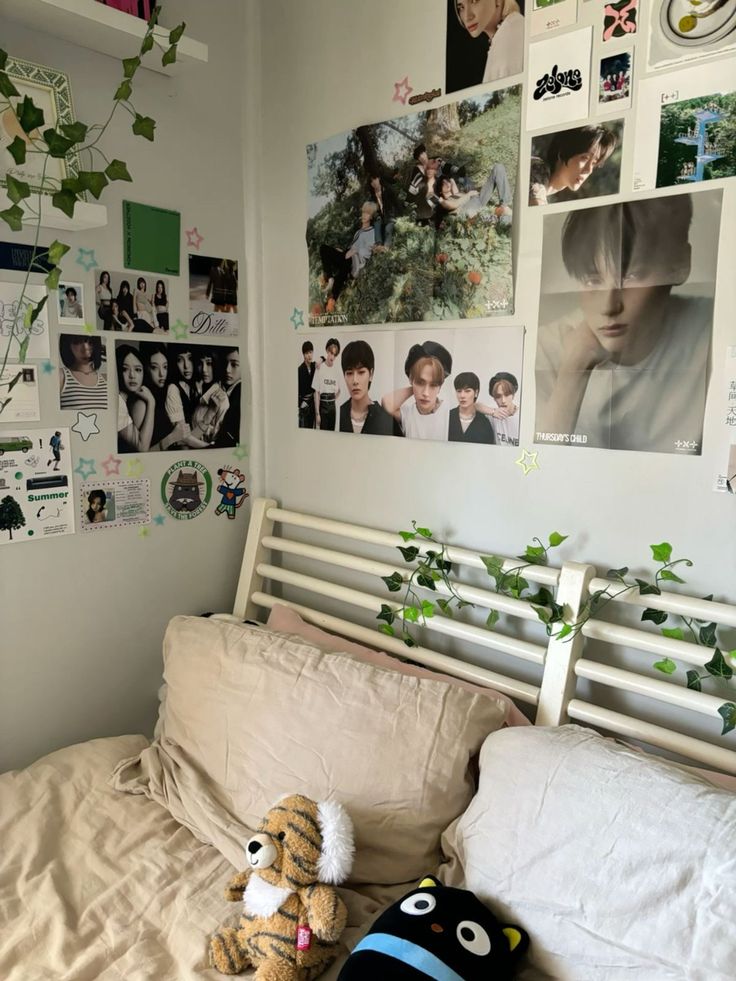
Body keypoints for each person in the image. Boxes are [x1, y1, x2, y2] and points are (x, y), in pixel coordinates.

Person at [535, 194, 710, 453]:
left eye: (631, 276)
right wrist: (572, 373)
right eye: (592, 280)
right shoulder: (546, 349)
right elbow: (531, 476)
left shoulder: (712, 329)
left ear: (680, 264)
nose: (608, 306)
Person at [529, 125, 618, 207]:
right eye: (584, 158)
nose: (589, 170)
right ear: (562, 152)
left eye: (594, 163)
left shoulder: (544, 191)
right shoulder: (535, 167)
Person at [382, 340, 453, 440]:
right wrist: (414, 385)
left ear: (440, 387)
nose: (425, 393)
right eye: (420, 382)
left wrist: (418, 384)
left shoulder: (448, 412)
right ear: (411, 380)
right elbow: (386, 402)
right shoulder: (408, 413)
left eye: (433, 385)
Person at [319, 202, 377, 313]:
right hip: (348, 260)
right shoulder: (358, 232)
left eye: (368, 213)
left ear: (372, 216)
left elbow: (368, 252)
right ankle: (332, 296)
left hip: (356, 262)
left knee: (338, 260)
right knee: (338, 264)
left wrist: (355, 251)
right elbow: (351, 247)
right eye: (364, 212)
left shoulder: (372, 232)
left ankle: (330, 280)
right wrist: (343, 251)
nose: (364, 215)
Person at [338, 339, 401, 436]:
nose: (355, 380)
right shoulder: (338, 414)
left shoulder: (386, 420)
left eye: (361, 372)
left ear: (371, 374)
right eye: (349, 373)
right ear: (344, 376)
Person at [454, 0, 524, 84]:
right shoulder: (507, 29)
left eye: (474, 1)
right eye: (461, 7)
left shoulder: (509, 34)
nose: (467, 17)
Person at [139, 343, 189, 451]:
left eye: (165, 367)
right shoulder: (141, 402)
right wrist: (171, 438)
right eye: (154, 368)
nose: (162, 374)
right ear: (145, 368)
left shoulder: (163, 393)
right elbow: (140, 455)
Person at [431, 164, 512, 228]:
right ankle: (506, 219)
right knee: (506, 220)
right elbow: (452, 205)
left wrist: (451, 179)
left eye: (447, 181)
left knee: (498, 167)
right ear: (440, 191)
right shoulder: (445, 201)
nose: (447, 183)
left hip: (479, 199)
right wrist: (469, 194)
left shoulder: (456, 193)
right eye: (443, 184)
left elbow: (452, 182)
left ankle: (504, 205)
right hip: (471, 212)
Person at [164, 344, 211, 449]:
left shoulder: (193, 385)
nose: (186, 366)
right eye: (180, 360)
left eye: (190, 358)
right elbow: (182, 437)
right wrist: (209, 447)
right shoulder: (173, 389)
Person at [116, 343, 155, 453]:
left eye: (138, 370)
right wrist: (152, 402)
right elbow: (142, 448)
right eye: (125, 369)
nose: (132, 375)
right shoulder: (117, 402)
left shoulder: (126, 401)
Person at [190, 348, 229, 444]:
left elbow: (217, 444)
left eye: (209, 363)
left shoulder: (222, 400)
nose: (204, 369)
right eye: (200, 363)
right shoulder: (199, 394)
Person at [59, 335, 108, 411]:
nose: (85, 350)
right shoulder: (61, 377)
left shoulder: (106, 379)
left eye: (91, 342)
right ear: (68, 344)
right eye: (77, 342)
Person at [448, 371, 496, 444]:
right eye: (459, 391)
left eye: (467, 391)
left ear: (476, 393)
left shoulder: (484, 422)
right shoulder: (448, 417)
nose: (462, 396)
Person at [312, 338, 342, 431]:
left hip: (332, 408)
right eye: (331, 353)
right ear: (327, 351)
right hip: (323, 406)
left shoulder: (337, 370)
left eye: (334, 354)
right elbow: (316, 392)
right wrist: (317, 413)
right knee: (322, 435)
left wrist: (332, 400)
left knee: (332, 434)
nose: (332, 356)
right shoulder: (320, 367)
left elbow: (339, 390)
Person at [367, 172, 401, 250]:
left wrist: (399, 215)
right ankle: (378, 244)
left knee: (388, 229)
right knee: (377, 223)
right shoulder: (372, 196)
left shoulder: (388, 190)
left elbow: (396, 203)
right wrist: (376, 215)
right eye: (371, 181)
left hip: (390, 215)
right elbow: (372, 210)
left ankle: (386, 247)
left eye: (375, 179)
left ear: (379, 179)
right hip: (381, 217)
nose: (374, 182)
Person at [215, 347, 241, 447]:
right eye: (225, 363)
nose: (227, 370)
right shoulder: (221, 387)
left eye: (234, 365)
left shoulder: (239, 392)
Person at [486, 371, 520, 445]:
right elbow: (474, 405)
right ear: (494, 398)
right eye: (498, 396)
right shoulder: (492, 414)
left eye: (507, 395)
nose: (503, 401)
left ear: (513, 395)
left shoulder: (522, 417)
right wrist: (492, 412)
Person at [298, 340, 316, 429]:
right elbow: (295, 390)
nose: (309, 355)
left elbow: (323, 358)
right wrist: (301, 403)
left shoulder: (314, 366)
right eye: (306, 353)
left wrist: (321, 360)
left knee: (312, 428)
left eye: (310, 352)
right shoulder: (299, 370)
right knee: (304, 429)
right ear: (303, 355)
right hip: (304, 405)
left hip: (313, 403)